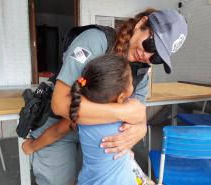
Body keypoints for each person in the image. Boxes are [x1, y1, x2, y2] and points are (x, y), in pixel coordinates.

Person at [22, 9, 187, 185]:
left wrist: (140, 130)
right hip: (57, 123)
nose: (147, 56)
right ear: (141, 24)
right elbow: (60, 104)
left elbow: (138, 118)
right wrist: (124, 112)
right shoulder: (95, 40)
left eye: (157, 58)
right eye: (151, 46)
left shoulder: (141, 71)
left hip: (96, 139)